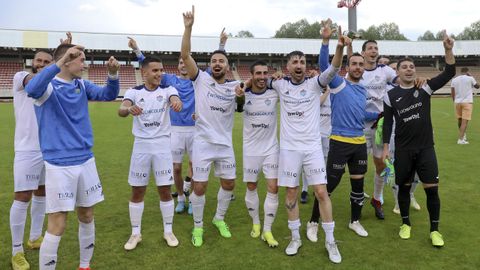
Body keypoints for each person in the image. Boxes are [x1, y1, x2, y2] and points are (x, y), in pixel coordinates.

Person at [25, 43, 120, 270]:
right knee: (58, 223)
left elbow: (108, 94)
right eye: (81, 60)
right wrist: (59, 62)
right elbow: (31, 90)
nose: (84, 64)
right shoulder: (47, 87)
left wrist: (113, 74)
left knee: (87, 215)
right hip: (59, 165)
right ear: (67, 60)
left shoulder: (81, 84)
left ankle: (84, 266)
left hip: (86, 160)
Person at [267, 25, 347, 263]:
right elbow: (257, 83)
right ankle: (295, 237)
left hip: (312, 148)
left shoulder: (315, 84)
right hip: (290, 150)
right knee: (291, 193)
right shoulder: (279, 85)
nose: (299, 64)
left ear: (305, 65)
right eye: (295, 61)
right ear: (288, 67)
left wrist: (337, 45)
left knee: (321, 192)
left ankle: (330, 241)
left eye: (302, 61)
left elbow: (333, 69)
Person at [127, 29, 229, 214]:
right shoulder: (170, 80)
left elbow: (218, 64)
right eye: (181, 62)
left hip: (196, 129)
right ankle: (181, 197)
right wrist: (137, 50)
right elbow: (148, 67)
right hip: (174, 130)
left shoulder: (199, 79)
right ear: (177, 66)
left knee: (194, 165)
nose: (183, 65)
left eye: (186, 62)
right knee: (175, 167)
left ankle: (191, 196)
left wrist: (221, 45)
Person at [382, 31, 456, 247]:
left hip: (425, 149)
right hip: (403, 150)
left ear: (415, 71)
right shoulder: (390, 95)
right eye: (404, 67)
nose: (409, 69)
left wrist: (448, 50)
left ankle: (435, 230)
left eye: (412, 67)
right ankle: (405, 224)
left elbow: (450, 71)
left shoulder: (425, 87)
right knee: (403, 189)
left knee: (432, 190)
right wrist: (386, 147)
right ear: (397, 72)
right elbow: (387, 123)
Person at [313, 19, 379, 239]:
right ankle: (314, 221)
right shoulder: (338, 83)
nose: (358, 68)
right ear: (348, 66)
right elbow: (324, 67)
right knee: (328, 185)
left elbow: (360, 115)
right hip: (340, 143)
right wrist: (329, 43)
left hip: (359, 144)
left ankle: (355, 221)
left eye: (361, 65)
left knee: (358, 185)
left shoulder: (362, 90)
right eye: (354, 64)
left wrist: (380, 114)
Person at [180, 6, 240, 247]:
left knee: (229, 184)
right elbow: (185, 56)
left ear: (227, 66)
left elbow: (243, 101)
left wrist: (241, 96)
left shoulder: (235, 86)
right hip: (203, 143)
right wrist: (188, 28)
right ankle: (197, 227)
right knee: (200, 186)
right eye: (214, 61)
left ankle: (218, 219)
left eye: (221, 61)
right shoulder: (201, 79)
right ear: (210, 65)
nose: (217, 64)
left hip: (225, 144)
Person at [119, 56, 183, 250]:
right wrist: (128, 108)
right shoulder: (133, 91)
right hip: (141, 146)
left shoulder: (167, 89)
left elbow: (175, 98)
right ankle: (135, 233)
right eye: (155, 71)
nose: (159, 74)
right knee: (138, 190)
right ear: (144, 72)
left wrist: (176, 102)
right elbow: (121, 109)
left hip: (162, 146)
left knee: (164, 189)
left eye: (161, 70)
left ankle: (168, 230)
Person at [10, 49, 53, 270]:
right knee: (22, 196)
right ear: (32, 62)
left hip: (49, 148)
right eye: (39, 60)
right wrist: (55, 66)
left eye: (47, 61)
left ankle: (35, 237)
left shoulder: (53, 84)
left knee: (42, 191)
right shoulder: (21, 77)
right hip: (27, 149)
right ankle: (16, 251)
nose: (42, 64)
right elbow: (34, 83)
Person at [348, 39, 397, 220]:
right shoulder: (357, 72)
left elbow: (399, 79)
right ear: (363, 53)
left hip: (380, 125)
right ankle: (357, 198)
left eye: (376, 48)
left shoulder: (385, 70)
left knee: (381, 163)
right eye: (370, 48)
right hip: (359, 125)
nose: (373, 51)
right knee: (358, 165)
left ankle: (377, 199)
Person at [236, 60, 280, 248]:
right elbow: (238, 104)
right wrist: (244, 86)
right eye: (258, 73)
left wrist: (278, 77)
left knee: (273, 187)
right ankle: (256, 222)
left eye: (265, 73)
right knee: (252, 186)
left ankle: (267, 230)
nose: (262, 77)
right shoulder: (242, 95)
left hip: (271, 148)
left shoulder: (274, 92)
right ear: (251, 75)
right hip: (251, 149)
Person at [451, 67, 479, 144]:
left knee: (460, 119)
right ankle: (460, 139)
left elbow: (452, 92)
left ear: (460, 72)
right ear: (467, 71)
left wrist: (454, 101)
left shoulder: (454, 79)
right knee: (465, 121)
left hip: (457, 102)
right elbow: (477, 86)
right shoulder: (470, 78)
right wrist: (471, 76)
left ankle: (463, 135)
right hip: (467, 102)